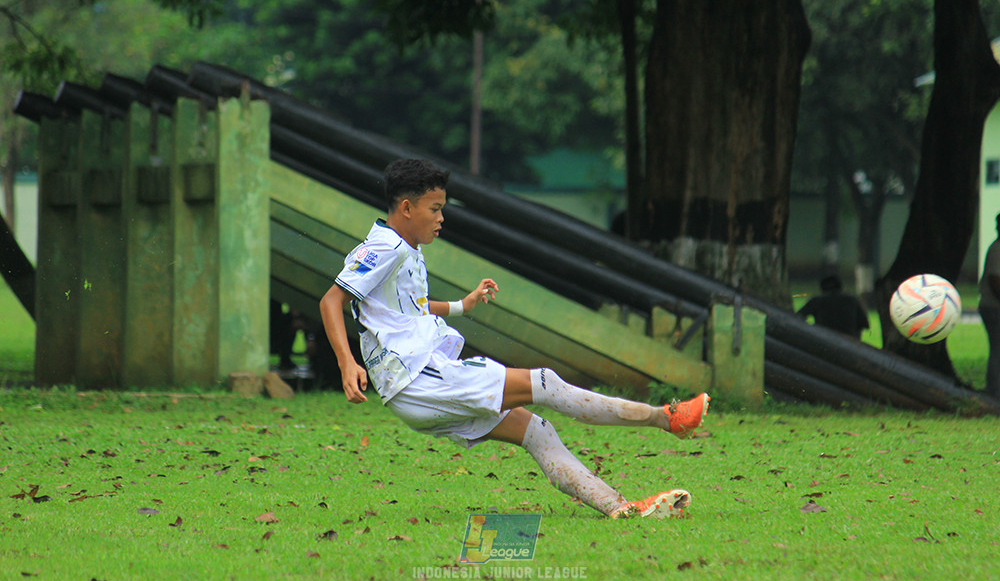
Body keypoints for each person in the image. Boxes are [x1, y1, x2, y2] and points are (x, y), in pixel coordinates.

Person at [319, 159, 709, 519]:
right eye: (434, 209)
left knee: (535, 430)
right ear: (406, 208)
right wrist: (345, 361)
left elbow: (408, 309)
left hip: (422, 383)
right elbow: (331, 300)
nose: (442, 218)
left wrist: (461, 306)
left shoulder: (406, 247)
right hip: (419, 379)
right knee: (545, 382)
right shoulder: (383, 248)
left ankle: (620, 508)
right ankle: (667, 418)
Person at [797, 274, 869, 339]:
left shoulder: (817, 301)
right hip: (850, 342)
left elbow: (797, 317)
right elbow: (865, 324)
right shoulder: (852, 300)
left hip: (824, 340)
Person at [979, 213, 1000, 396]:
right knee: (997, 349)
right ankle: (994, 390)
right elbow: (996, 282)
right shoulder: (997, 250)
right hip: (994, 308)